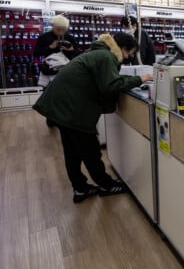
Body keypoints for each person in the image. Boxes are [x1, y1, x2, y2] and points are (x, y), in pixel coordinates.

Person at [33, 33, 153, 203]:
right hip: (72, 109)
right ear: (123, 48)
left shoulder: (98, 52)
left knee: (72, 152)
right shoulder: (106, 56)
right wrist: (140, 78)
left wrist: (130, 79)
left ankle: (80, 189)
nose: (130, 57)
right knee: (90, 150)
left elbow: (107, 79)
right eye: (131, 53)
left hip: (61, 106)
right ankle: (106, 185)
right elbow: (111, 85)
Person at [34, 15, 80, 86]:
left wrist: (71, 50)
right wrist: (50, 47)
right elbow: (36, 53)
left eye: (63, 29)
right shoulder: (43, 37)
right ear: (53, 27)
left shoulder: (69, 38)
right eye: (58, 29)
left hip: (67, 72)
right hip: (50, 72)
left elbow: (78, 54)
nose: (61, 32)